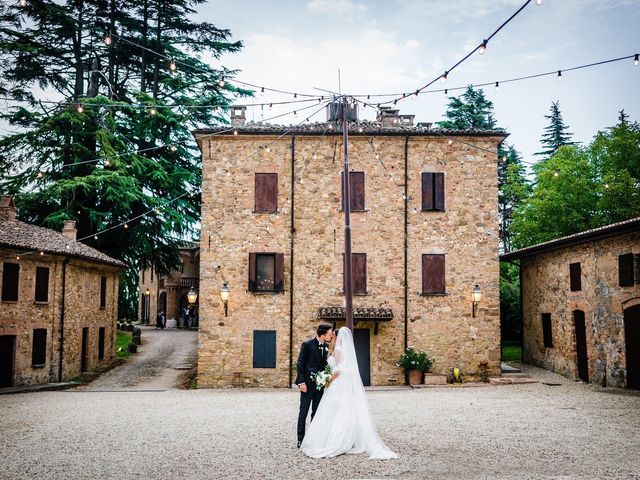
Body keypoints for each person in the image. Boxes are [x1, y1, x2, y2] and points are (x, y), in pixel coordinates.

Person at [300, 326, 397, 460]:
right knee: (332, 411)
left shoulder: (339, 350)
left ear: (337, 337)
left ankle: (334, 440)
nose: (331, 336)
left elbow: (339, 369)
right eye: (330, 334)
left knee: (334, 411)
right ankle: (326, 438)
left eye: (333, 335)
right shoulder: (332, 349)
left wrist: (328, 381)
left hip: (336, 384)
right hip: (332, 384)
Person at [295, 323, 333, 448]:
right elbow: (300, 364)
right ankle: (300, 439)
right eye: (329, 334)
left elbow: (323, 366)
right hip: (307, 384)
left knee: (316, 412)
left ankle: (313, 438)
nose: (331, 336)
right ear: (322, 335)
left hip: (319, 385)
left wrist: (326, 378)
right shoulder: (307, 345)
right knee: (303, 412)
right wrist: (301, 382)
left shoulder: (326, 347)